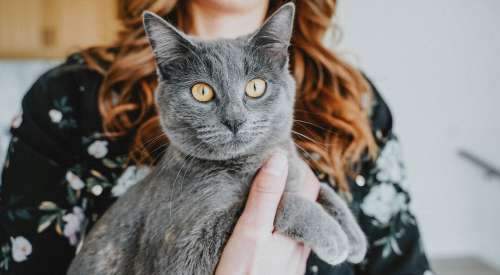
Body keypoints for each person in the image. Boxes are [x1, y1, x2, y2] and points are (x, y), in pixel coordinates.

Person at [0, 0, 433, 274]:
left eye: (255, 90)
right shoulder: (68, 98)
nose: (234, 117)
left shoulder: (356, 101)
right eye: (204, 93)